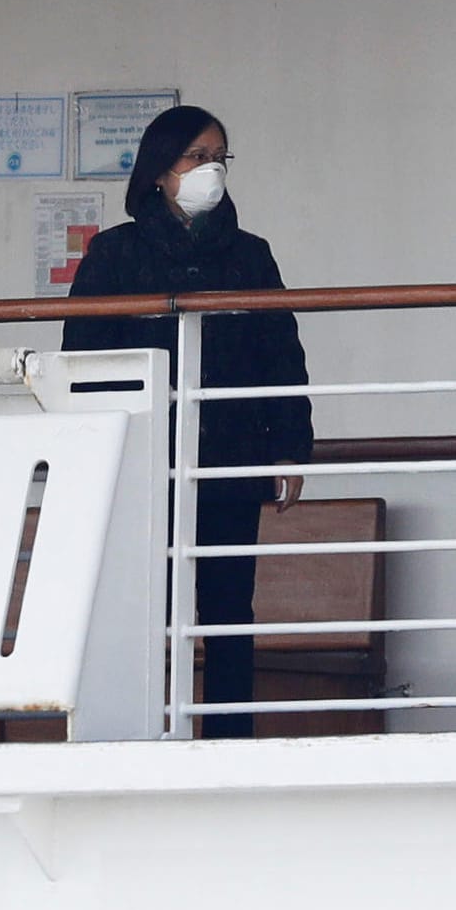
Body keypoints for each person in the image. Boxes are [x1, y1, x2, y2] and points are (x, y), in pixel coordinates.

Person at [64, 105, 313, 739]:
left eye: (219, 157)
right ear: (159, 171)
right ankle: (143, 738)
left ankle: (231, 744)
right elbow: (85, 358)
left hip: (231, 458)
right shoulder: (113, 255)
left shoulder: (252, 255)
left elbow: (281, 354)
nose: (211, 170)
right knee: (146, 606)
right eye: (196, 157)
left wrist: (289, 448)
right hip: (144, 464)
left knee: (230, 609)